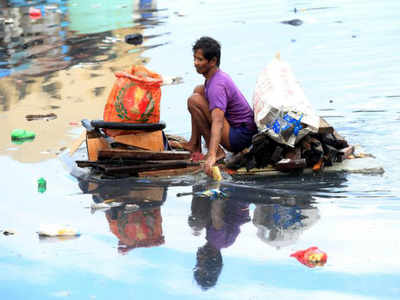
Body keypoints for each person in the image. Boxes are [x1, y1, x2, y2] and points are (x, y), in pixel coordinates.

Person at [181, 36, 258, 176]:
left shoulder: (217, 84)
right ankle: (194, 144)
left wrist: (211, 155)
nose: (195, 63)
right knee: (198, 90)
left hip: (240, 136)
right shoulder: (213, 78)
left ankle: (217, 152)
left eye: (200, 59)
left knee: (194, 101)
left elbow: (217, 121)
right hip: (238, 130)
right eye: (195, 58)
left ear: (213, 61)